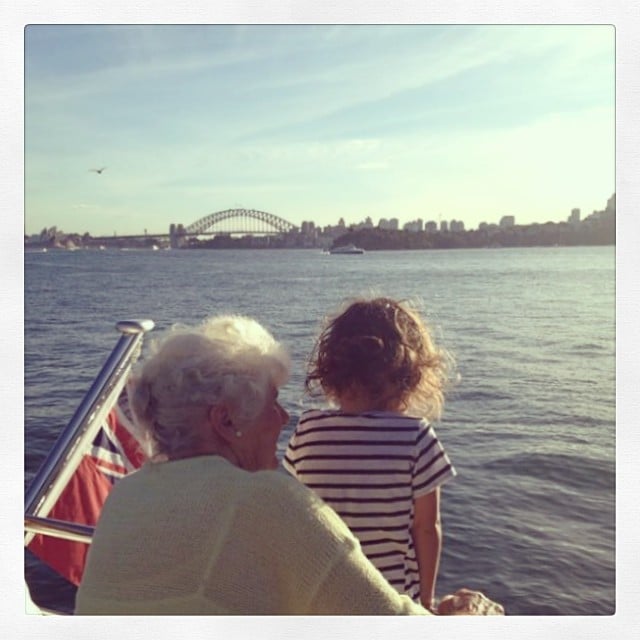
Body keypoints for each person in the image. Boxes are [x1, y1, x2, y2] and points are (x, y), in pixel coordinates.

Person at [75, 314, 502, 615]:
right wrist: (472, 617)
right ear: (225, 420)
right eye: (271, 403)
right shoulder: (266, 501)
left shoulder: (126, 494)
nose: (283, 419)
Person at [284, 297, 456, 612]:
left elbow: (295, 512)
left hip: (319, 598)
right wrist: (426, 600)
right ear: (411, 374)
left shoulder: (307, 429)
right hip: (388, 601)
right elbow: (426, 528)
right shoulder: (416, 437)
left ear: (330, 371)